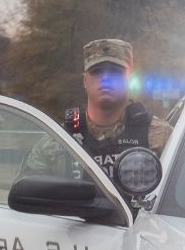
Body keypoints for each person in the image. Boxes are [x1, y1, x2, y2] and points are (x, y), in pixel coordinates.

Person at [22, 38, 170, 184]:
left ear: (129, 79)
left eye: (115, 72)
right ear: (85, 81)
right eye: (97, 71)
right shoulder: (59, 143)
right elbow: (25, 194)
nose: (106, 79)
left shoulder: (160, 137)